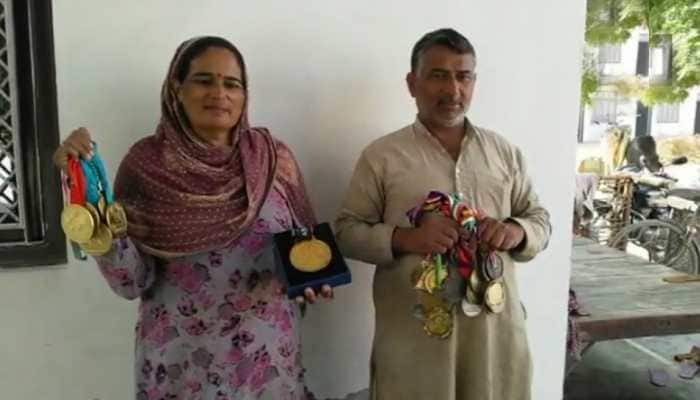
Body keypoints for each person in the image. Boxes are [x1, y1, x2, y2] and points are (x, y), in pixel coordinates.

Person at [53, 36, 330, 400]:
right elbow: (131, 282)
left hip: (267, 364)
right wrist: (87, 199)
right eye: (203, 80)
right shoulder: (147, 165)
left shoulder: (272, 158)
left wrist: (313, 279)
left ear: (245, 96)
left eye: (232, 83)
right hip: (182, 366)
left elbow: (305, 248)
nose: (220, 92)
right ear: (177, 90)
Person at [334, 28, 551, 400]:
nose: (452, 90)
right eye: (438, 75)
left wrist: (516, 231)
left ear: (473, 82)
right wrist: (406, 238)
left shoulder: (504, 153)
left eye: (463, 76)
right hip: (414, 341)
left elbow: (539, 219)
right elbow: (346, 232)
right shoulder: (382, 156)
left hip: (493, 338)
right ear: (412, 82)